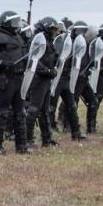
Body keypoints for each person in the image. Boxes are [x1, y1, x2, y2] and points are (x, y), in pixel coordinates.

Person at [0, 11, 30, 155]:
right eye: (14, 22)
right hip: (6, 78)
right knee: (2, 112)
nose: (16, 25)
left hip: (19, 77)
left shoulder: (18, 37)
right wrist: (2, 62)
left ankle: (22, 145)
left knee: (20, 112)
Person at [49, 19, 86, 140]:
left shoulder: (71, 42)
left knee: (72, 105)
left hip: (66, 78)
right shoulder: (58, 42)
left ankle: (75, 132)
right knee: (51, 105)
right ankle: (51, 128)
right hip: (57, 78)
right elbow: (55, 58)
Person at [25, 17, 59, 147]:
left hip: (46, 80)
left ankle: (46, 138)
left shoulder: (48, 40)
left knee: (44, 110)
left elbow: (52, 58)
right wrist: (47, 71)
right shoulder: (37, 39)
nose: (54, 31)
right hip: (37, 79)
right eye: (52, 29)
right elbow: (33, 60)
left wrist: (53, 69)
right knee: (33, 109)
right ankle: (28, 139)